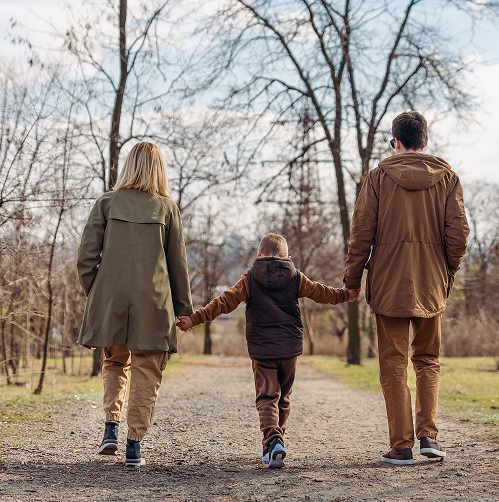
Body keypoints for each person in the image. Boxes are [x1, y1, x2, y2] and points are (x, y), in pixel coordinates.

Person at [344, 111, 469, 465]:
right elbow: (458, 235)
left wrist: (353, 280)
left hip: (388, 284)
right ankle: (428, 435)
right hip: (431, 283)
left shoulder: (378, 178)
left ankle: (401, 446)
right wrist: (446, 272)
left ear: (395, 141)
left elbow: (361, 234)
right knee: (428, 360)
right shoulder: (448, 179)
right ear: (424, 141)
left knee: (393, 364)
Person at [176, 233, 359, 468]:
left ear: (259, 255)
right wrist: (347, 294)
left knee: (266, 396)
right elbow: (322, 292)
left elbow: (223, 302)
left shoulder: (249, 279)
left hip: (262, 347)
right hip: (290, 346)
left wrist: (194, 319)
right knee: (283, 397)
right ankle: (274, 443)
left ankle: (273, 442)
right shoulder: (296, 277)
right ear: (287, 257)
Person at [76, 142, 193, 467]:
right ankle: (134, 446)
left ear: (129, 166)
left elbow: (85, 260)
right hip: (153, 305)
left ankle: (110, 429)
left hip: (111, 301)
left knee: (115, 364)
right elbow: (177, 265)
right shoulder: (167, 208)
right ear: (159, 169)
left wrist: (100, 296)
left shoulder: (106, 202)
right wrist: (183, 310)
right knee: (146, 371)